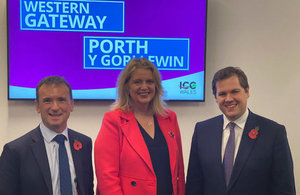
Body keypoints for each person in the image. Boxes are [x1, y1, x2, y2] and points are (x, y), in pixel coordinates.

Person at [185, 66, 296, 195]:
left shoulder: (274, 133)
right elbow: (194, 185)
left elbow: (284, 189)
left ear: (247, 91)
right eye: (222, 94)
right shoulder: (202, 131)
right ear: (216, 97)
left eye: (235, 91)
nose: (229, 99)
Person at [94, 58, 185, 195]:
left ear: (157, 86)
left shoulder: (170, 118)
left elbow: (179, 171)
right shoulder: (113, 120)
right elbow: (107, 177)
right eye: (137, 82)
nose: (144, 87)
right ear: (127, 86)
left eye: (149, 81)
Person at [0, 76, 94, 195]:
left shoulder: (84, 144)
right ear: (37, 106)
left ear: (71, 105)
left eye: (61, 100)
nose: (55, 107)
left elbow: (88, 189)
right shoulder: (15, 151)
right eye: (47, 100)